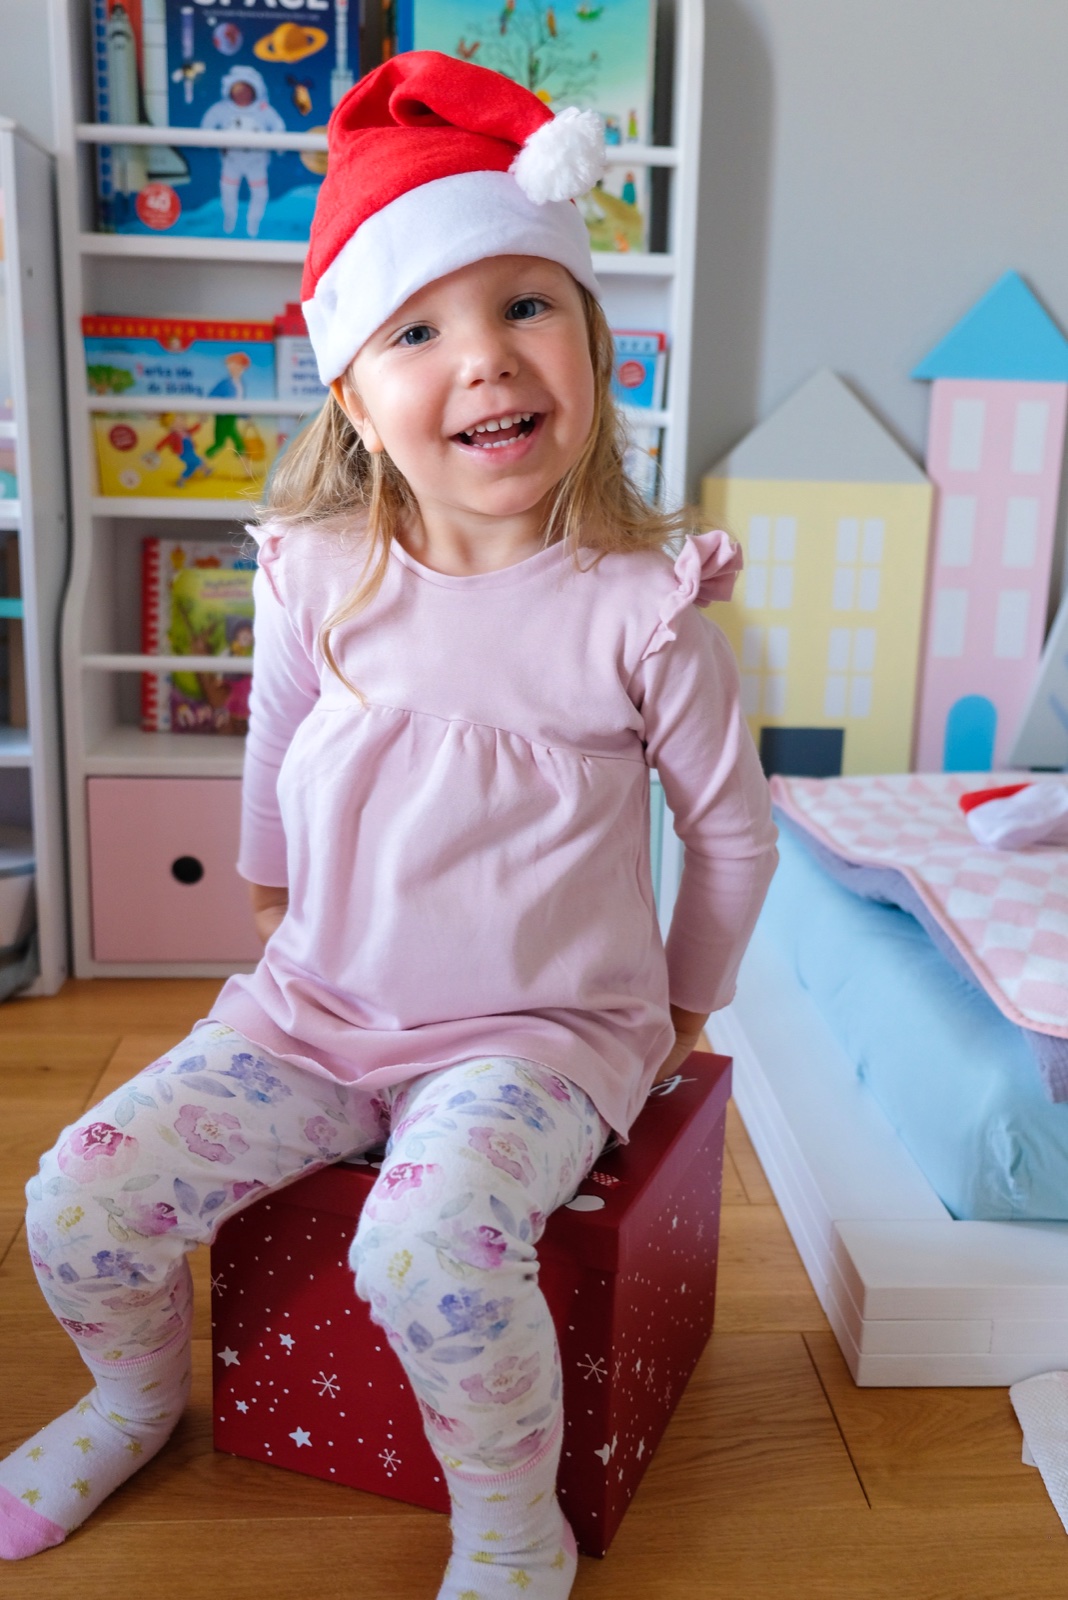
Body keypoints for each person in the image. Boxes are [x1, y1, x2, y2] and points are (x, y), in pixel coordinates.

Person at [0, 51, 777, 1595]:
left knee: (421, 1248)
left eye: (525, 306)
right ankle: (135, 1404)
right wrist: (270, 890)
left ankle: (511, 1520)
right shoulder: (318, 571)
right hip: (319, 1008)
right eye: (418, 330)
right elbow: (277, 738)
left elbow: (733, 835)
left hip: (538, 1032)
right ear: (353, 391)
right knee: (78, 1196)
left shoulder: (644, 614)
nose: (482, 359)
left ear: (594, 349)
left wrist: (680, 1009)